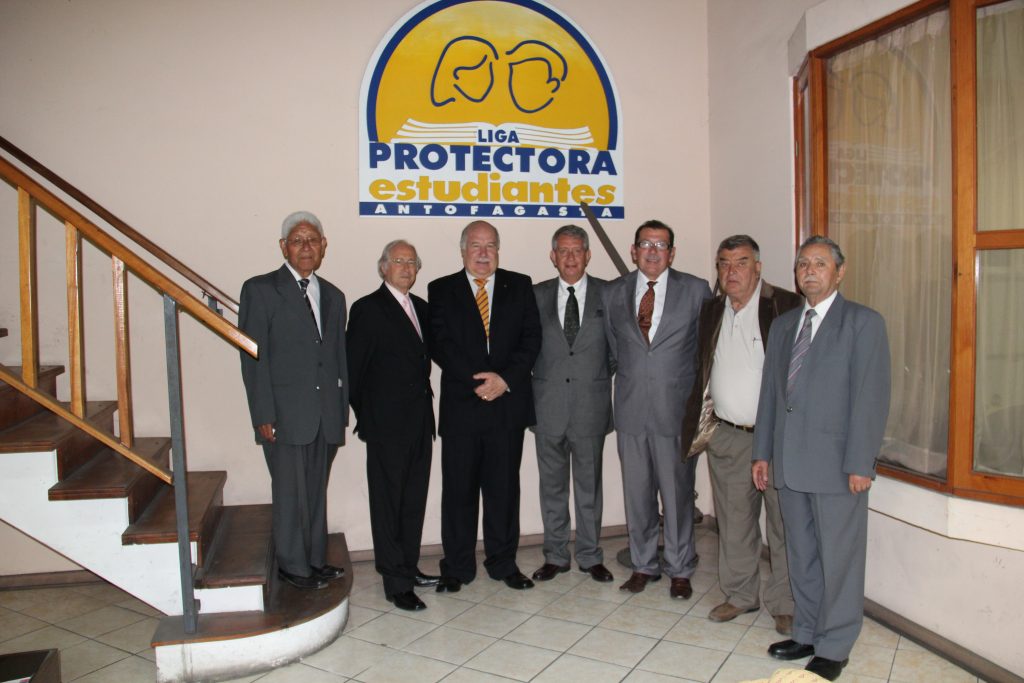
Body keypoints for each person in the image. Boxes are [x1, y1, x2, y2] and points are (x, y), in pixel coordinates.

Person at [753, 235, 891, 681]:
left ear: (840, 271)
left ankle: (835, 645)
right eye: (803, 264)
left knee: (840, 560)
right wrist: (762, 452)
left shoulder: (863, 323)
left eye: (820, 263)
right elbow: (772, 396)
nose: (809, 271)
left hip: (838, 467)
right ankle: (808, 632)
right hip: (789, 463)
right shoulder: (784, 326)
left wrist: (861, 463)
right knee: (801, 554)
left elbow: (870, 398)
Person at [682, 234, 801, 635]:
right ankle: (740, 594)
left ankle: (786, 603)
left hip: (777, 438)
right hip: (728, 436)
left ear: (758, 267)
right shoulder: (711, 310)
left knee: (783, 524)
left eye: (741, 262)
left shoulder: (784, 306)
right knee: (734, 522)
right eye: (724, 263)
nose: (731, 272)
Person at [428, 220, 542, 592]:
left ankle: (503, 563)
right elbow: (441, 344)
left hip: (507, 406)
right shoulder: (441, 289)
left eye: (490, 245)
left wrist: (504, 380)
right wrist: (480, 382)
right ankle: (457, 567)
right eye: (475, 245)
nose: (483, 253)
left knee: (504, 491)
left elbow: (531, 339)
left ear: (498, 251)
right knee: (458, 492)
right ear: (463, 250)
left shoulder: (519, 285)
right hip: (462, 408)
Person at [239, 211, 348, 590]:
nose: (306, 247)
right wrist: (263, 413)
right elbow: (253, 358)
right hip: (283, 415)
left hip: (324, 415)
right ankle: (292, 566)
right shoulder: (260, 290)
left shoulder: (333, 295)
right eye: (298, 240)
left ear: (324, 247)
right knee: (289, 494)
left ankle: (314, 559)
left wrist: (340, 410)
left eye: (313, 240)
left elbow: (337, 358)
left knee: (316, 492)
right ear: (283, 246)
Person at [602, 219, 711, 599]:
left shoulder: (696, 290)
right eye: (645, 244)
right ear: (633, 251)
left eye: (661, 245)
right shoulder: (613, 292)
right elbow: (615, 349)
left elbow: (704, 351)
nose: (652, 251)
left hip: (675, 412)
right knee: (637, 493)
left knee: (678, 494)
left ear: (672, 253)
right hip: (631, 410)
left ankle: (680, 568)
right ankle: (643, 564)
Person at [347, 240, 439, 611]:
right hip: (386, 427)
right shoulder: (367, 309)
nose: (406, 267)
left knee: (413, 501)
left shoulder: (422, 308)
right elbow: (353, 372)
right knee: (388, 504)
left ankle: (408, 567)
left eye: (412, 262)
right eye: (398, 261)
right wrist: (370, 418)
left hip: (420, 422)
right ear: (383, 267)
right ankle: (395, 582)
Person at [529, 225, 615, 584]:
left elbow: (618, 350)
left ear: (588, 255)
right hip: (547, 407)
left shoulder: (609, 293)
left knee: (589, 488)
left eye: (577, 250)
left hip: (590, 408)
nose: (570, 257)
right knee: (552, 488)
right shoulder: (535, 295)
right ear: (553, 256)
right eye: (563, 251)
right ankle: (555, 555)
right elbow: (525, 346)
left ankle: (591, 555)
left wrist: (593, 377)